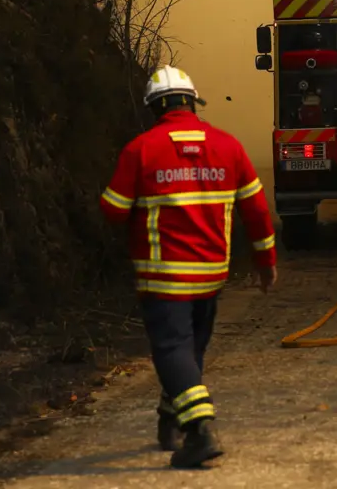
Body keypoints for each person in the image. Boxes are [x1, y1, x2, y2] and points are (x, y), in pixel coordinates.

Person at [99, 65, 278, 469]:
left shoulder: (141, 149)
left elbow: (113, 210)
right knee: (191, 348)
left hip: (164, 277)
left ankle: (200, 431)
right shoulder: (229, 147)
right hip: (212, 274)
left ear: (155, 106)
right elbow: (257, 210)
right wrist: (266, 262)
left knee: (172, 349)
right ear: (192, 102)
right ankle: (169, 419)